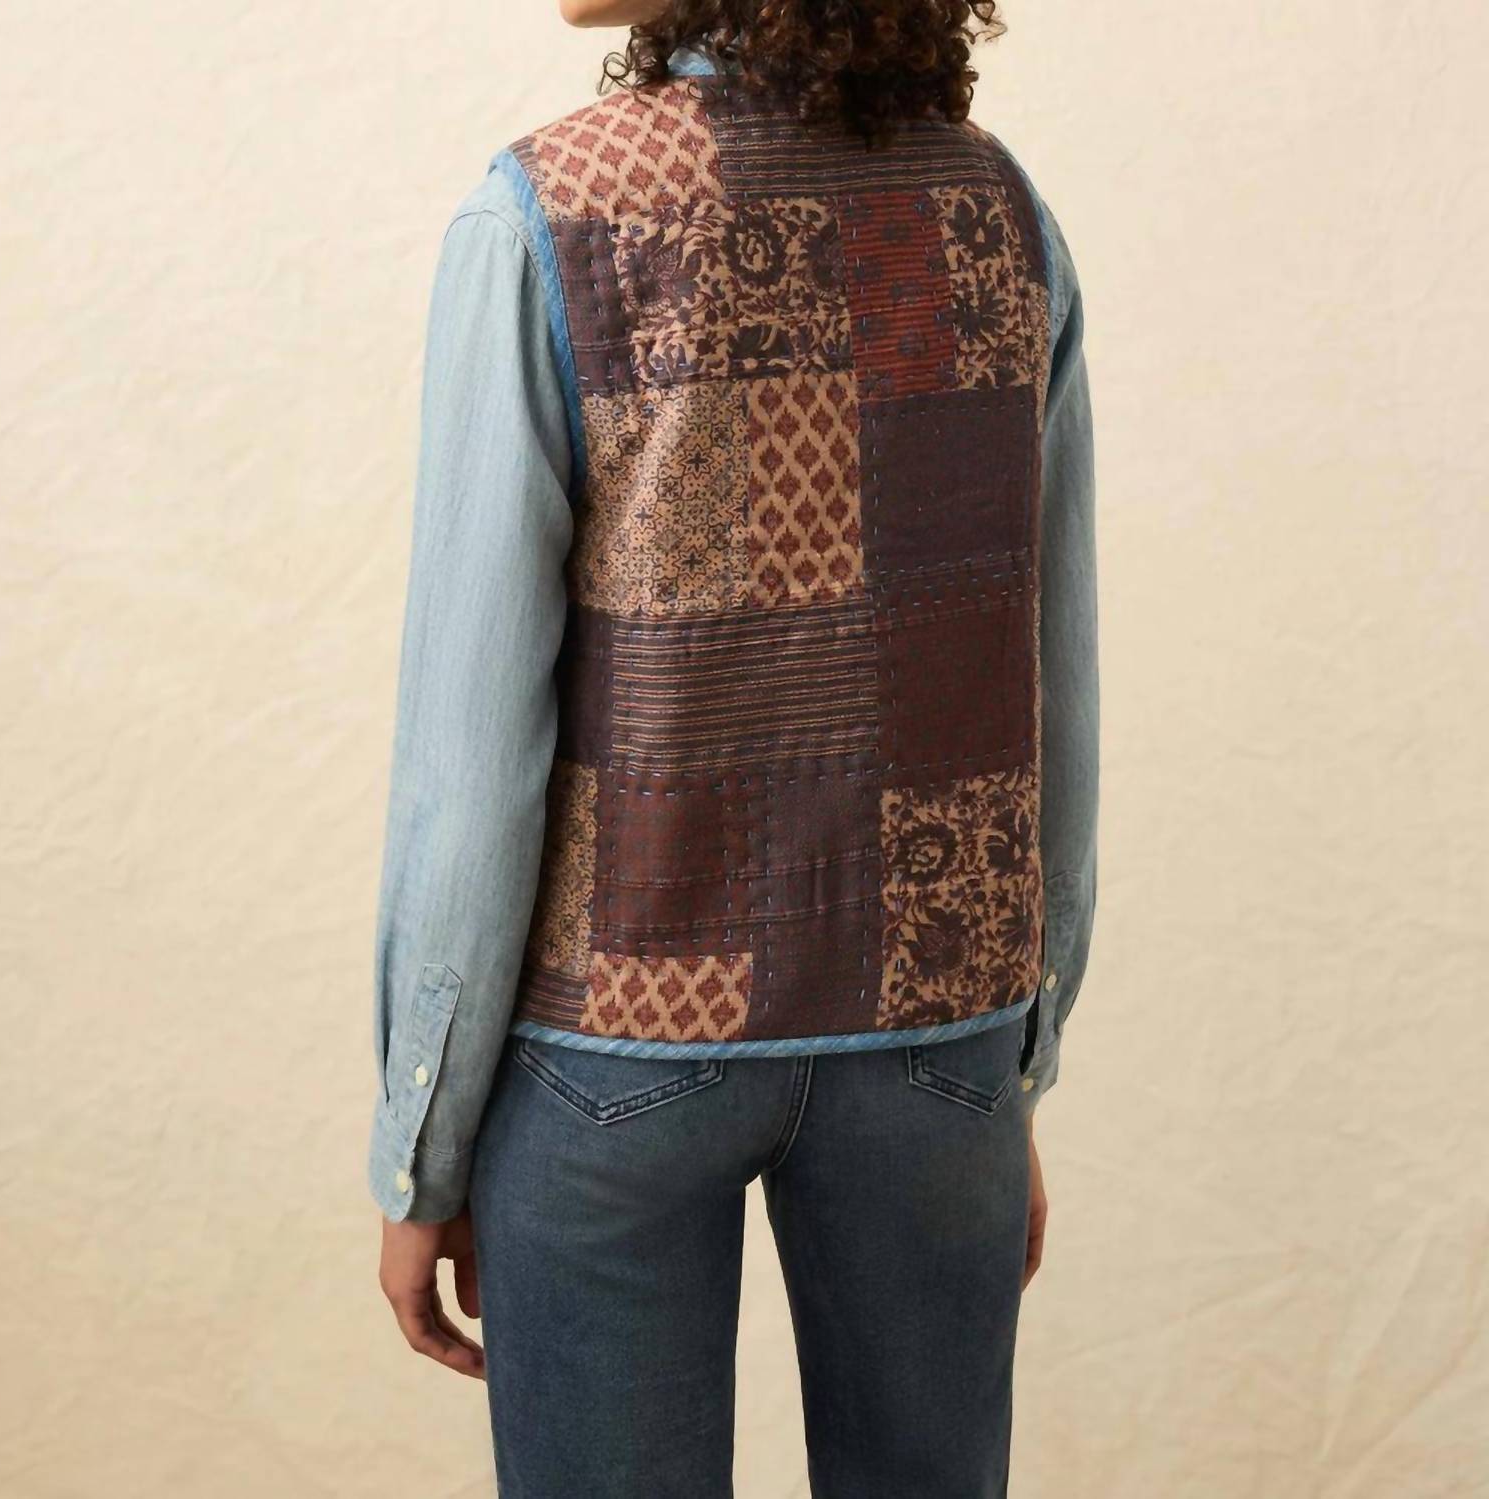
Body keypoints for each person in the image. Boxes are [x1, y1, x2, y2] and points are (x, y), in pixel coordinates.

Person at [368, 2, 1098, 1493]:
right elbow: (1049, 678)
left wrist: (421, 1139)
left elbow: (472, 751)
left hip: (616, 1039)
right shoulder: (997, 209)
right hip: (935, 1027)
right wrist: (1006, 1057)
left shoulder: (546, 214)